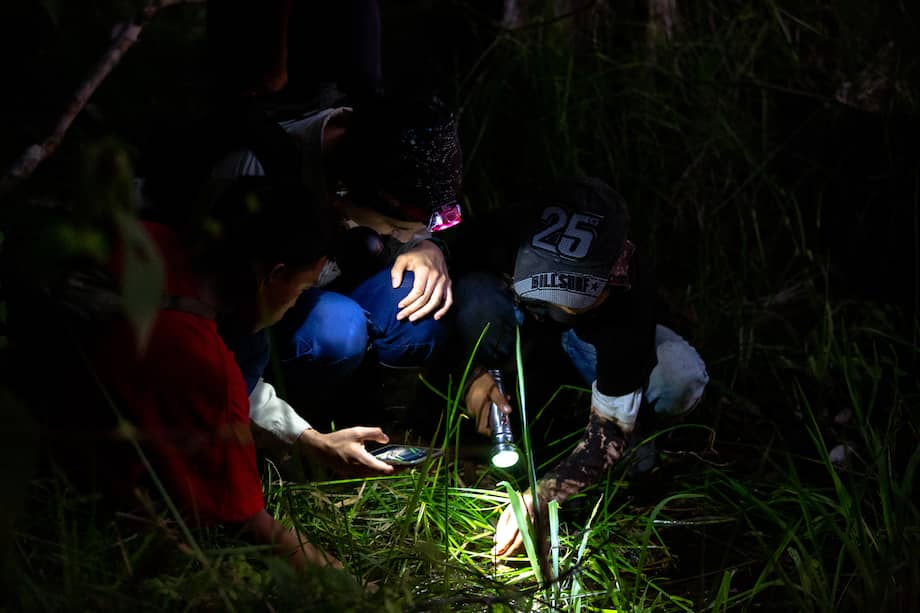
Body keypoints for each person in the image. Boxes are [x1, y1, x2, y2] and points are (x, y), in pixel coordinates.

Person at [89, 177, 387, 569]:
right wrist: (359, 591)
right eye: (300, 290)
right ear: (273, 274)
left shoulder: (147, 238)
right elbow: (255, 527)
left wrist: (314, 442)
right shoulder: (204, 366)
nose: (295, 304)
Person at [448, 177, 710, 557]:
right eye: (542, 283)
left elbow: (608, 436)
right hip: (520, 334)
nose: (560, 302)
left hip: (587, 348)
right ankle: (509, 398)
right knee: (473, 299)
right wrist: (470, 376)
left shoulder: (629, 298)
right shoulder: (504, 231)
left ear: (615, 271)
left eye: (577, 293)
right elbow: (433, 305)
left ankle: (636, 423)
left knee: (676, 380)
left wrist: (539, 496)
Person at [208, 93, 462, 433]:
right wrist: (299, 438)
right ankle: (303, 429)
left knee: (418, 302)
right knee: (337, 329)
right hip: (259, 324)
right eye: (397, 229)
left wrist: (425, 245)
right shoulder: (256, 174)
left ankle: (383, 427)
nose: (401, 238)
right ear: (340, 195)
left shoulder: (389, 147)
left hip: (330, 280)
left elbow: (409, 212)